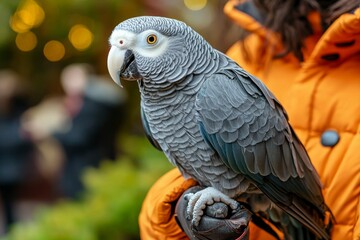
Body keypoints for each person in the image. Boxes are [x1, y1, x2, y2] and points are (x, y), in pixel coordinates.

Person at [138, 0, 360, 239]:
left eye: (151, 41)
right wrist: (178, 210)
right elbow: (201, 166)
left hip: (292, 198)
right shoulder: (250, 49)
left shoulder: (221, 86)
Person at [23, 64, 127, 199]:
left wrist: (48, 133)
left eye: (72, 78)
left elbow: (78, 137)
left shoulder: (94, 105)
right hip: (94, 165)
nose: (68, 84)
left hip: (87, 169)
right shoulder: (99, 101)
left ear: (87, 78)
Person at [0, 70, 33, 233]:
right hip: (8, 159)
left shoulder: (19, 106)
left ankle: (10, 231)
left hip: (11, 165)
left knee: (10, 203)